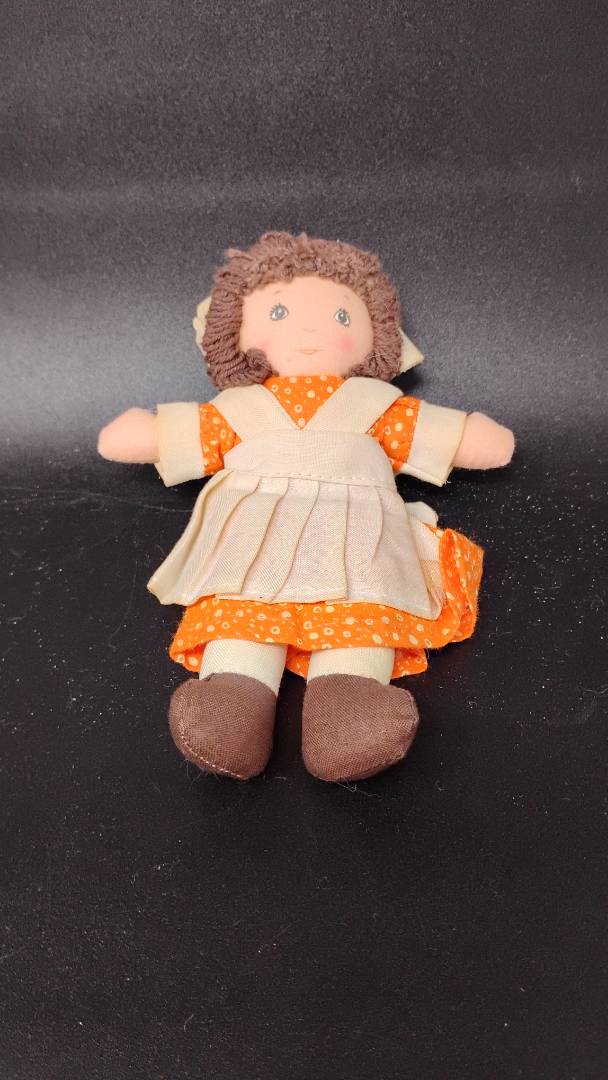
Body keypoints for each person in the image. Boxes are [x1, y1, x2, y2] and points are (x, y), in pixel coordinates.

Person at [98, 231, 514, 783]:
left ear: (375, 334)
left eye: (342, 316)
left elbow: (437, 436)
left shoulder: (376, 405)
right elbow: (192, 433)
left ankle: (351, 700)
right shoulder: (239, 408)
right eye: (277, 312)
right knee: (243, 602)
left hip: (357, 534)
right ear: (233, 331)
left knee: (361, 605)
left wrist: (469, 438)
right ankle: (233, 699)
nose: (314, 330)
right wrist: (150, 434)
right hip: (255, 535)